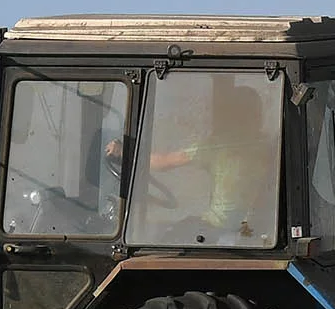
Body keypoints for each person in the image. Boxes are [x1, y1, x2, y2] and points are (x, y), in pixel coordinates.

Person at [106, 81, 274, 242]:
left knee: (165, 239)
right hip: (252, 229)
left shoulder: (219, 146)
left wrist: (124, 152)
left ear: (230, 115)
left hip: (219, 226)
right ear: (258, 115)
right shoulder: (269, 146)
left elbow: (163, 163)